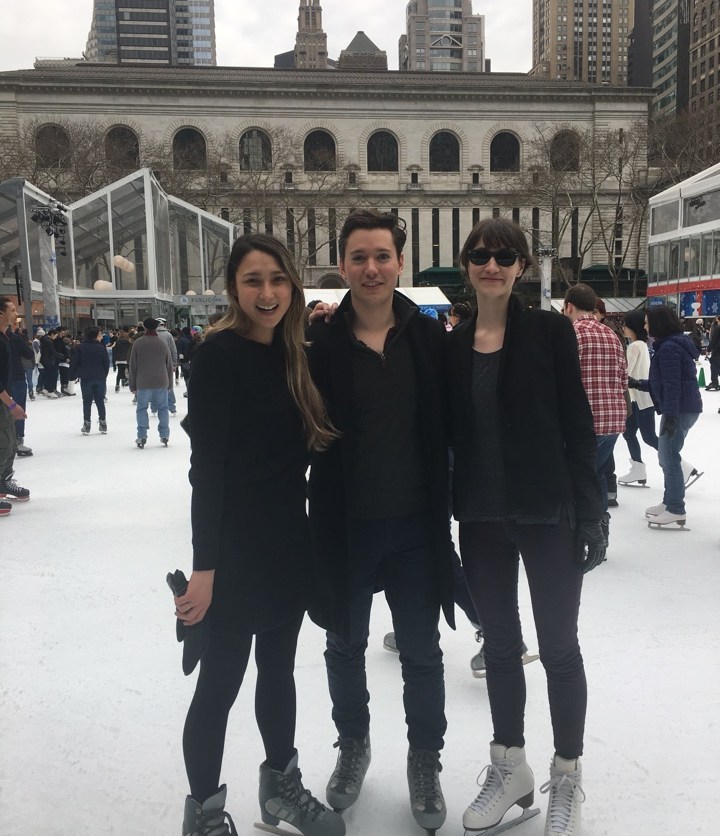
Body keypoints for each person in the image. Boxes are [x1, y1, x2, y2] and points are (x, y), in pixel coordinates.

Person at [174, 233, 344, 836]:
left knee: (279, 670)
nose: (267, 293)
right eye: (253, 280)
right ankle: (205, 813)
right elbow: (207, 472)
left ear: (292, 284)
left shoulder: (295, 355)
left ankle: (279, 788)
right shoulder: (218, 356)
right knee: (220, 681)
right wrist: (206, 567)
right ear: (233, 288)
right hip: (235, 547)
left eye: (277, 279)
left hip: (286, 542)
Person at [446, 218, 605, 836]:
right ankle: (508, 765)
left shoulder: (548, 331)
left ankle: (566, 774)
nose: (492, 263)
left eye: (504, 255)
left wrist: (590, 512)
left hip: (546, 510)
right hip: (480, 516)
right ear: (468, 265)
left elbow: (577, 420)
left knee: (559, 648)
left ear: (521, 267)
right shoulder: (452, 344)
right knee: (503, 648)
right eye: (481, 254)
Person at [306, 209, 455, 833]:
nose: (372, 268)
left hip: (416, 528)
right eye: (360, 257)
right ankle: (354, 745)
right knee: (344, 645)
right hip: (346, 527)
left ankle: (426, 758)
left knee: (421, 652)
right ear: (343, 266)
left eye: (383, 256)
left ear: (401, 262)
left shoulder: (428, 339)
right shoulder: (318, 346)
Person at [563, 283, 627, 547]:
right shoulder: (611, 335)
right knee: (597, 474)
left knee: (575, 477)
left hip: (583, 422)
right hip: (612, 419)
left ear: (569, 307)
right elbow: (623, 379)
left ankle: (579, 532)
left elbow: (562, 378)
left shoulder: (570, 334)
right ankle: (601, 529)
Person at [628, 306, 703, 527]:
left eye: (647, 321)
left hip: (679, 409)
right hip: (681, 408)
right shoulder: (669, 345)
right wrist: (638, 384)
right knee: (666, 457)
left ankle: (676, 509)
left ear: (658, 323)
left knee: (669, 458)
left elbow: (672, 386)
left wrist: (670, 416)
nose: (644, 326)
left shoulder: (669, 348)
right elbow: (665, 382)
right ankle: (669, 502)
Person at [617, 309, 658, 487]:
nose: (623, 328)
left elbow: (625, 372)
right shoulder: (642, 344)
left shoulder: (634, 347)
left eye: (625, 325)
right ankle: (638, 468)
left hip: (641, 400)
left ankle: (681, 464)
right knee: (628, 433)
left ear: (632, 327)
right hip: (638, 400)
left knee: (649, 437)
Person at [0, 297, 30, 516]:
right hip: (3, 399)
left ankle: (4, 482)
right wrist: (10, 404)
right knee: (3, 444)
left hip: (6, 396)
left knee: (10, 444)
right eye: (11, 309)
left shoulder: (7, 337)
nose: (15, 312)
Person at [128, 317, 173, 448]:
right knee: (163, 408)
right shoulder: (162, 343)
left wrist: (132, 384)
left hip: (143, 381)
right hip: (161, 381)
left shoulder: (138, 343)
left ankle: (141, 436)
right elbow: (169, 365)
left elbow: (133, 365)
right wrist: (169, 383)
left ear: (145, 328)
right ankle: (164, 434)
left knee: (142, 409)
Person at [69, 325, 111, 435]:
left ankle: (87, 425)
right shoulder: (101, 348)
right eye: (100, 335)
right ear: (96, 336)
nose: (101, 337)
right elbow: (106, 363)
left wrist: (73, 375)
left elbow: (75, 362)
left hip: (86, 378)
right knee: (100, 401)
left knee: (86, 402)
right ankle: (103, 423)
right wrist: (103, 375)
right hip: (99, 378)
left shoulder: (80, 347)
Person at [156, 317, 178, 414]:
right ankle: (171, 406)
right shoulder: (168, 335)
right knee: (168, 384)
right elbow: (173, 350)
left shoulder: (150, 335)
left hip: (153, 364)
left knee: (155, 385)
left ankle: (155, 406)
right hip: (167, 363)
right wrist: (174, 363)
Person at [112, 326, 132, 392]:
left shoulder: (118, 340)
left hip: (119, 359)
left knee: (119, 373)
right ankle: (131, 385)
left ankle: (117, 385)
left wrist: (115, 358)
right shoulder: (129, 341)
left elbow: (115, 349)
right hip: (127, 359)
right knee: (130, 372)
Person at [706, 315, 720, 391]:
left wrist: (708, 349)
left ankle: (714, 383)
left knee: (714, 367)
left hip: (717, 351)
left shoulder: (718, 328)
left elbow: (714, 340)